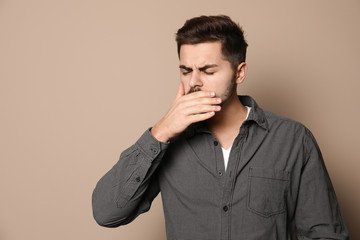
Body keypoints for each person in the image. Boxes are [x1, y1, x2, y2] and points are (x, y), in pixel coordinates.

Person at [92, 15, 349, 239]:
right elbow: (107, 213)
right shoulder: (166, 141)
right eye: (185, 70)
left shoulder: (293, 139)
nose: (194, 82)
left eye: (208, 71)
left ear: (239, 73)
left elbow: (325, 233)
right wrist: (160, 132)